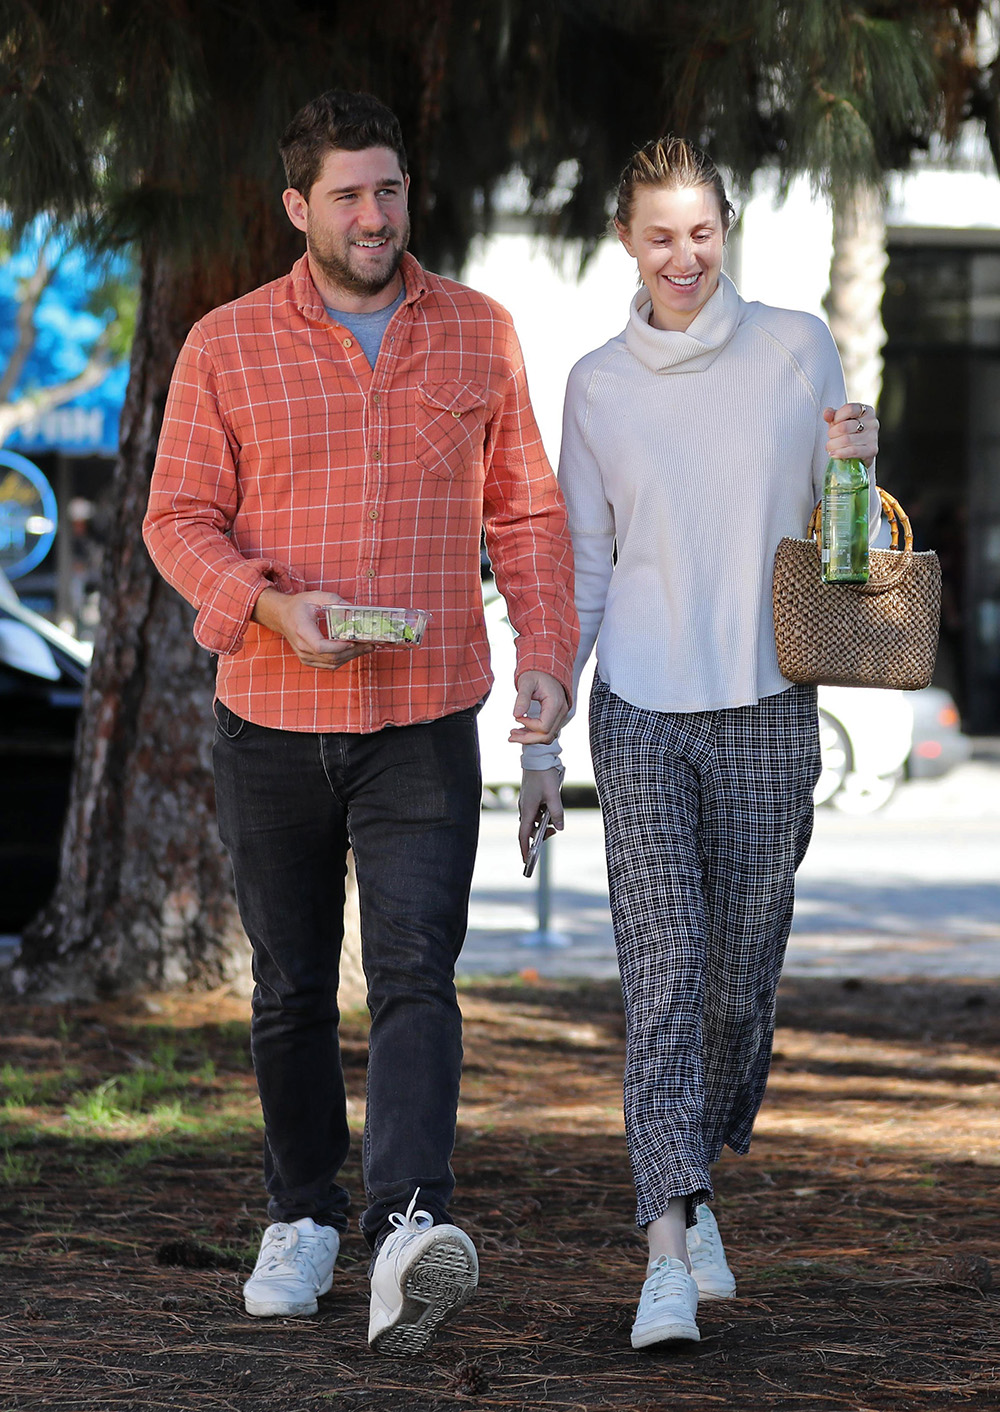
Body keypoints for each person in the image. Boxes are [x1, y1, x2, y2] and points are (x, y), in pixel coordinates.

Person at [143, 89, 577, 1357]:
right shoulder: (224, 344)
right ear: (298, 208)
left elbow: (529, 518)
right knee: (286, 990)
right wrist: (267, 610)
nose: (374, 214)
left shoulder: (478, 332)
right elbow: (176, 519)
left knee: (413, 979)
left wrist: (545, 661)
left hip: (426, 715)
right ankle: (303, 1211)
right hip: (270, 714)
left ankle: (407, 1223)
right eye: (347, 194)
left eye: (388, 190)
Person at [518, 136, 880, 1350]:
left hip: (771, 701)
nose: (683, 256)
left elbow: (837, 549)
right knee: (664, 969)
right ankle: (665, 1239)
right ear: (627, 240)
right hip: (641, 712)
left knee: (736, 978)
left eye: (702, 231)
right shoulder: (597, 383)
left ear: (726, 226)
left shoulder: (795, 347)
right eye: (659, 235)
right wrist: (542, 720)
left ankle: (695, 1169)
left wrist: (857, 467)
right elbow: (583, 561)